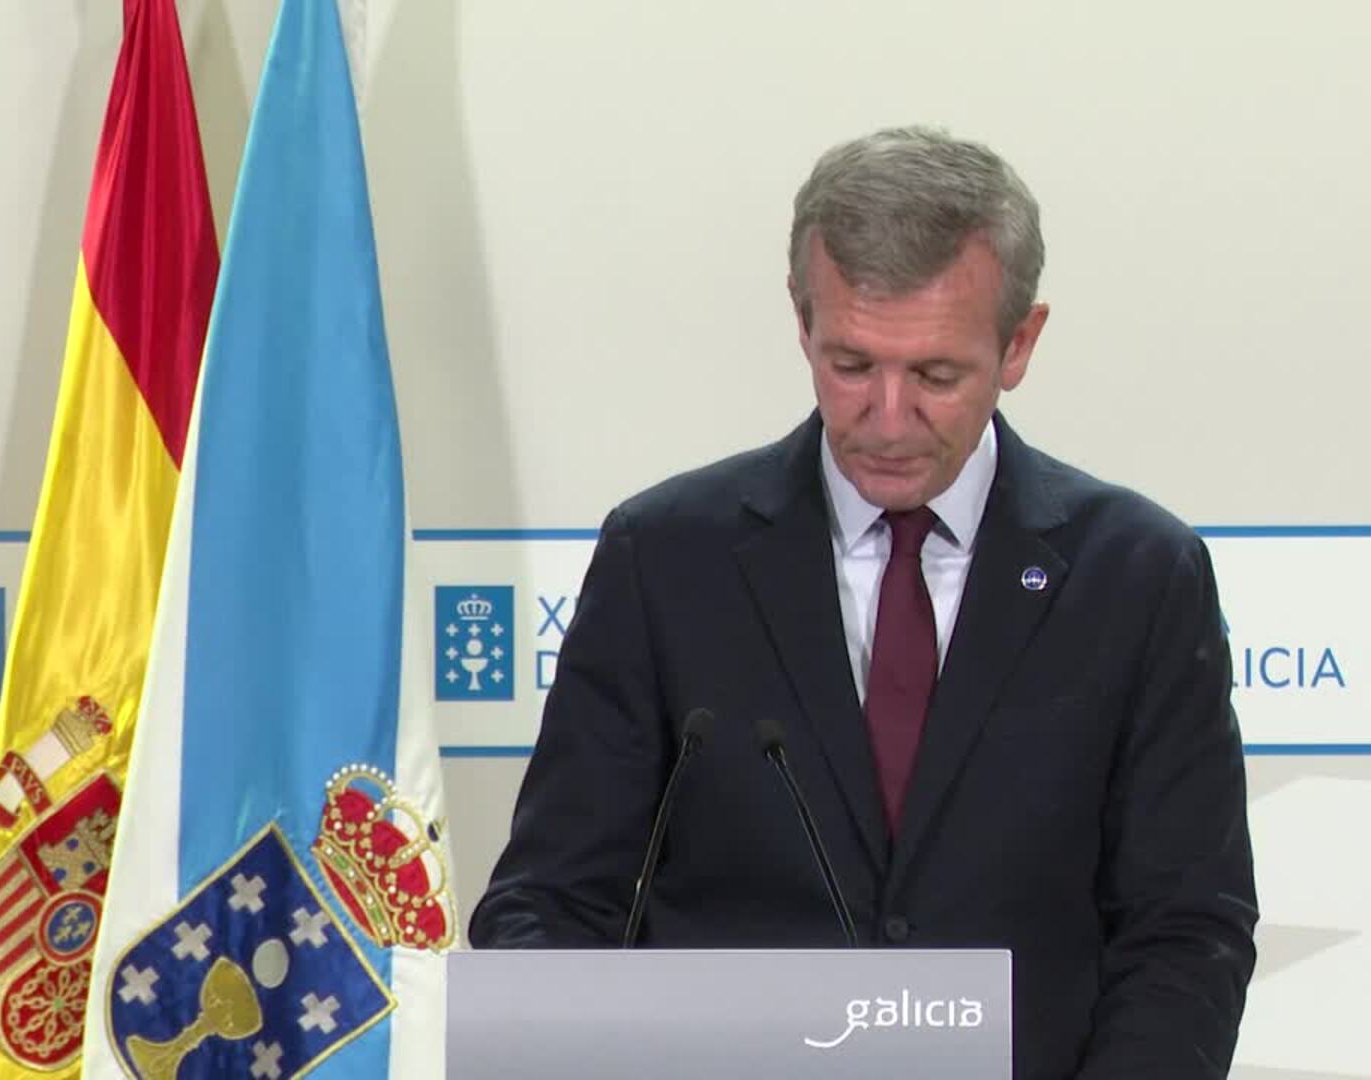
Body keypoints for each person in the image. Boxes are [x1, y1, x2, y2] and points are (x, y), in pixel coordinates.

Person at [469, 126, 1258, 1079]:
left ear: (1019, 344)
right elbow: (549, 904)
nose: (887, 419)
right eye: (850, 366)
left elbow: (1186, 929)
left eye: (934, 375)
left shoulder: (1137, 575)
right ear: (801, 323)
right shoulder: (667, 557)